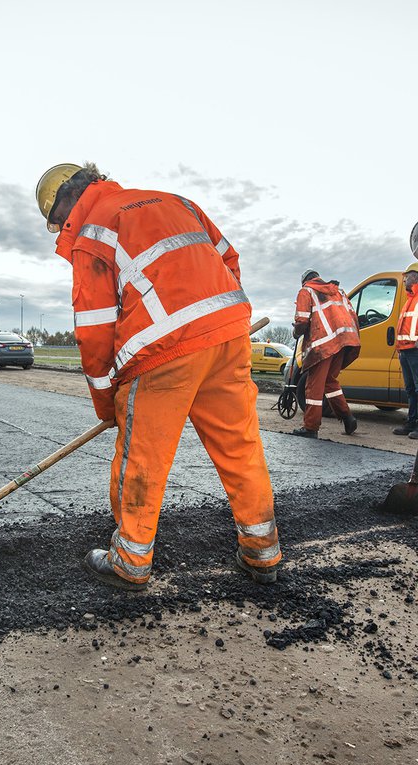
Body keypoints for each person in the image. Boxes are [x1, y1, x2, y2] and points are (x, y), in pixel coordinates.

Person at [35, 163, 281, 590]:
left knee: (143, 457)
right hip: (227, 334)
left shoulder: (92, 233)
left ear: (65, 208)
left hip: (161, 350)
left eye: (57, 226)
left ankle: (130, 560)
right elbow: (229, 259)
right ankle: (263, 552)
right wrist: (214, 319)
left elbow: (93, 332)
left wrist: (106, 402)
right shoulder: (177, 202)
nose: (61, 235)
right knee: (240, 447)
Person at [292, 269, 361, 439]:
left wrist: (296, 333)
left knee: (313, 386)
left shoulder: (306, 290)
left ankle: (310, 427)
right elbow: (353, 316)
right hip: (345, 341)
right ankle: (348, 417)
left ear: (305, 281)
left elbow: (301, 320)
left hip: (323, 345)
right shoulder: (338, 292)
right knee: (330, 381)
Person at [393, 262, 418, 439]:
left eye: (407, 276)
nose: (404, 280)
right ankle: (411, 423)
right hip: (405, 351)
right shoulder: (409, 300)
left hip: (415, 351)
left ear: (416, 277)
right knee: (410, 389)